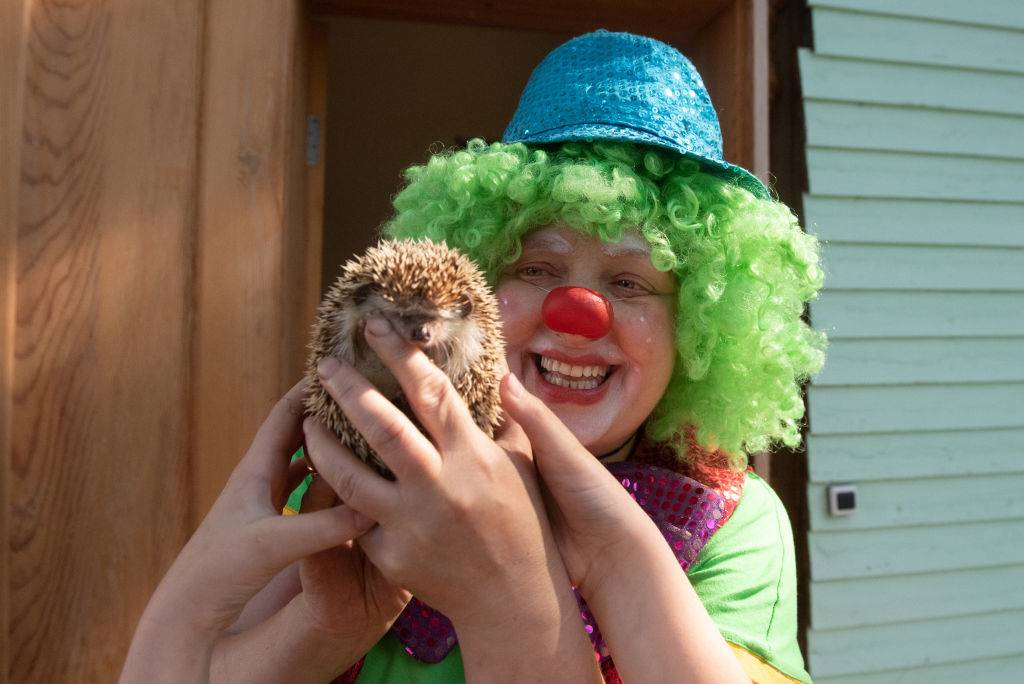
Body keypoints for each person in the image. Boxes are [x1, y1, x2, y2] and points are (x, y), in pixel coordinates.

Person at [126, 30, 825, 683]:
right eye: (536, 269)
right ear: (474, 281)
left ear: (700, 327)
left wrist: (520, 592)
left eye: (631, 282)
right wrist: (318, 621)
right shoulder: (362, 479)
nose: (577, 314)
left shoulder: (729, 522)